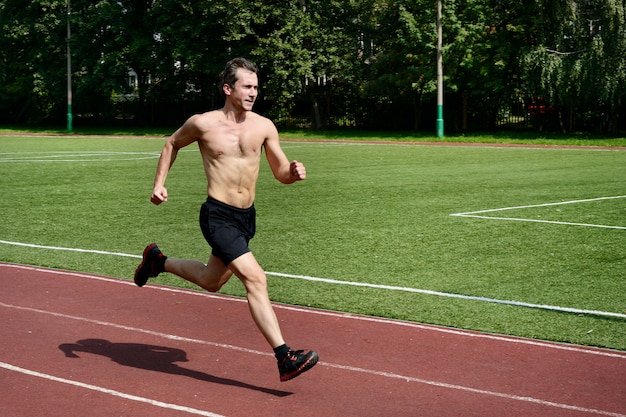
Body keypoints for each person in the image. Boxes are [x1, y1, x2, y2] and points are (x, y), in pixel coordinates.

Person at [134, 57, 318, 382]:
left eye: (256, 87)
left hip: (246, 218)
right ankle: (284, 357)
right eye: (247, 86)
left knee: (211, 281)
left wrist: (292, 173)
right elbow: (171, 143)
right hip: (217, 215)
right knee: (256, 279)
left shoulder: (263, 126)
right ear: (228, 88)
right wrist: (159, 185)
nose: (253, 93)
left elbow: (279, 172)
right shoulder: (203, 124)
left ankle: (156, 261)